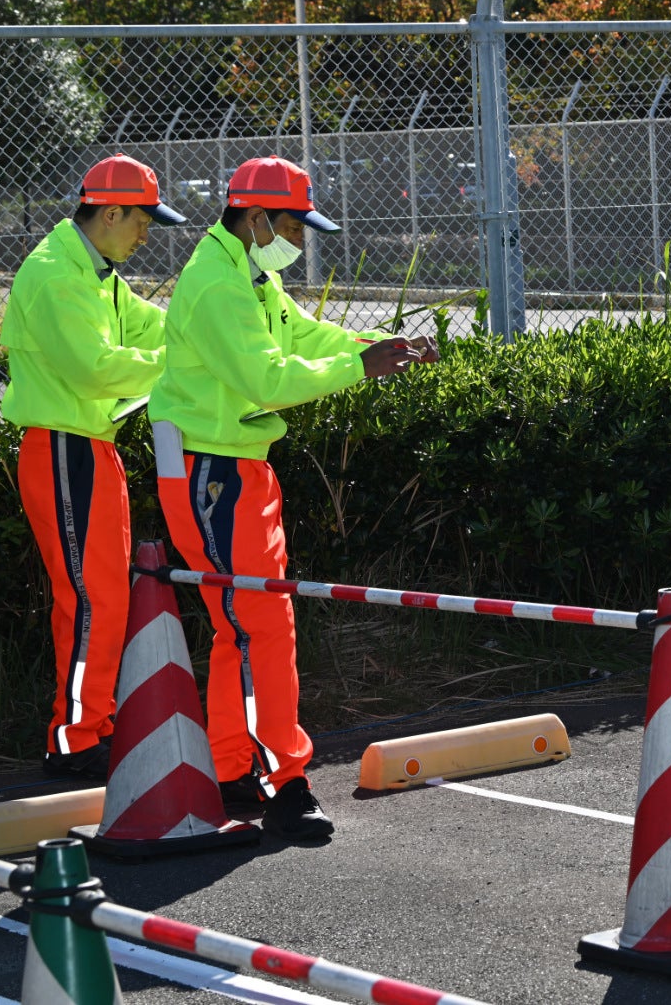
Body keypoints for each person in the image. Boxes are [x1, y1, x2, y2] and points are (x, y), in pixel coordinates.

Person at [148, 155, 436, 841]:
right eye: (294, 226)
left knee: (241, 628)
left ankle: (231, 769)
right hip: (210, 468)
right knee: (259, 626)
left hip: (230, 464)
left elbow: (303, 338)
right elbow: (265, 379)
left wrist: (375, 346)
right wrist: (359, 365)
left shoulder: (248, 273)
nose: (301, 240)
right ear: (256, 218)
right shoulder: (218, 285)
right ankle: (284, 782)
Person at [0, 154, 186, 780]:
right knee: (89, 600)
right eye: (142, 222)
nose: (146, 235)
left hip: (86, 446)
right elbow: (95, 368)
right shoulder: (57, 275)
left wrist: (204, 337)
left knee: (102, 598)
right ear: (111, 213)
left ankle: (91, 725)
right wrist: (179, 365)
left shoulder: (93, 271)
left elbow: (157, 327)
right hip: (62, 448)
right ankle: (73, 739)